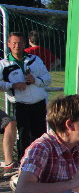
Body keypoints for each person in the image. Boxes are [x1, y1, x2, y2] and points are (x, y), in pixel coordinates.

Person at [1, 31, 51, 159]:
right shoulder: (3, 64)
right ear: (8, 44)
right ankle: (23, 163)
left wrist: (35, 80)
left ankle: (41, 161)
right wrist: (12, 85)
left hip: (39, 103)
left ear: (24, 44)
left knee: (40, 136)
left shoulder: (35, 60)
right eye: (14, 43)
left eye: (20, 43)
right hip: (20, 104)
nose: (17, 46)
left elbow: (48, 79)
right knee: (23, 136)